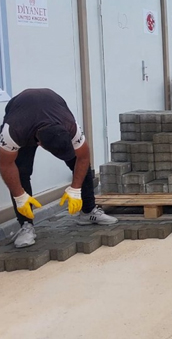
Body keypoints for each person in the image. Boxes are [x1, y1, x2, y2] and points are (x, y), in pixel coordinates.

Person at [0, 88, 117, 249]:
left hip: (53, 105)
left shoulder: (70, 126)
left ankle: (88, 211)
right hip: (21, 111)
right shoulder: (13, 132)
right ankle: (26, 226)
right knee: (21, 172)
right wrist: (20, 196)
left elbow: (83, 157)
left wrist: (75, 189)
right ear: (39, 144)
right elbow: (5, 164)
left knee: (79, 163)